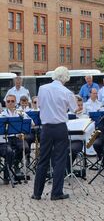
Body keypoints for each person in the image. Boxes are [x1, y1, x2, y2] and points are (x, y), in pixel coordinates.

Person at [32, 66, 77, 201]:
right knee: (60, 160)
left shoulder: (42, 88)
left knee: (43, 159)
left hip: (46, 128)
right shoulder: (67, 92)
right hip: (60, 127)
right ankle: (56, 192)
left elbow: (40, 106)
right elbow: (75, 109)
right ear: (66, 78)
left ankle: (37, 193)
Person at [1, 95, 30, 176]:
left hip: (18, 137)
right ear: (6, 103)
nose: (10, 103)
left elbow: (31, 122)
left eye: (12, 101)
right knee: (8, 151)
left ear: (16, 103)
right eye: (8, 101)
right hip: (6, 139)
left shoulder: (20, 113)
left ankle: (16, 164)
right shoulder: (2, 114)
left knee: (26, 148)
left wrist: (22, 132)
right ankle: (7, 173)